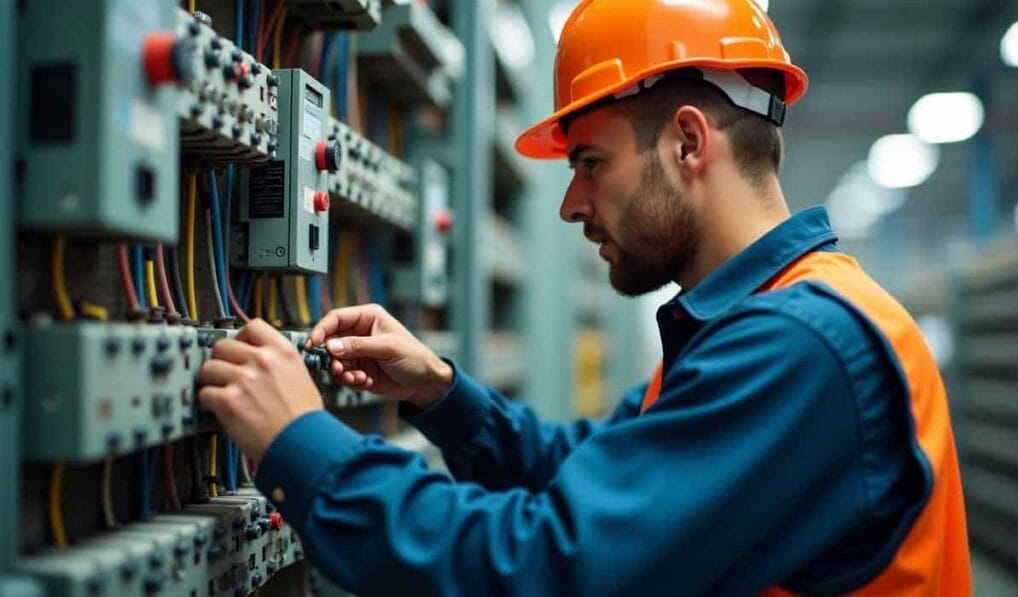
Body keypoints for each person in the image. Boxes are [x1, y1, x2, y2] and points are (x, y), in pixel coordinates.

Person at [198, 0, 971, 593]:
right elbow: (595, 470)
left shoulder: (801, 346)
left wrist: (301, 442)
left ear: (689, 143)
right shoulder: (755, 320)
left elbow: (545, 565)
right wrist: (444, 394)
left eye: (591, 161)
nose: (571, 203)